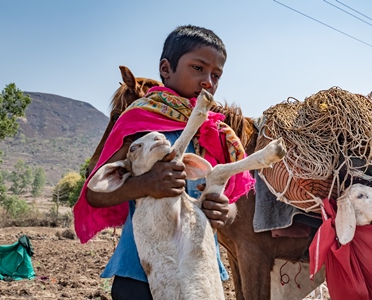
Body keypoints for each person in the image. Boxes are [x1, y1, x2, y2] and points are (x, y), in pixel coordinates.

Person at [73, 25, 254, 300]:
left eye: (216, 75)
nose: (208, 81)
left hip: (197, 274)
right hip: (141, 273)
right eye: (198, 68)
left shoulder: (215, 133)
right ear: (166, 69)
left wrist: (223, 211)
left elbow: (230, 206)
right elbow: (95, 194)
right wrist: (146, 184)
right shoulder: (137, 123)